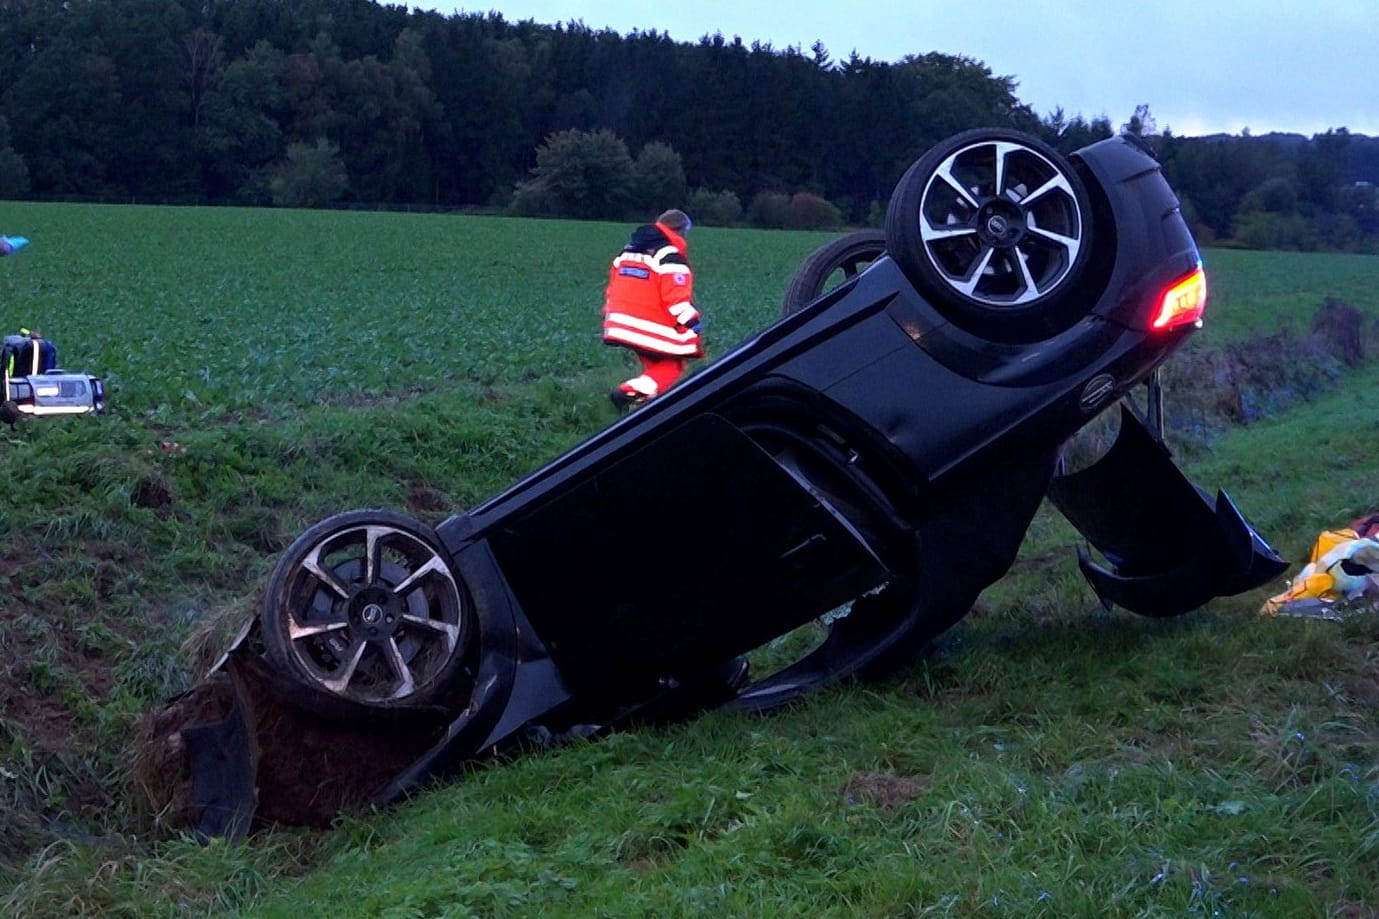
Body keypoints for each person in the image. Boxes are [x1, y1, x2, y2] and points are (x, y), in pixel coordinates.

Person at [601, 209, 704, 410]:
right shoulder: (670, 257)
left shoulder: (627, 251)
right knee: (672, 366)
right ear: (681, 231)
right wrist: (694, 324)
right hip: (649, 326)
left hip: (619, 322)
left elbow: (613, 286)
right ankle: (626, 394)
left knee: (654, 369)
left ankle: (643, 407)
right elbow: (677, 302)